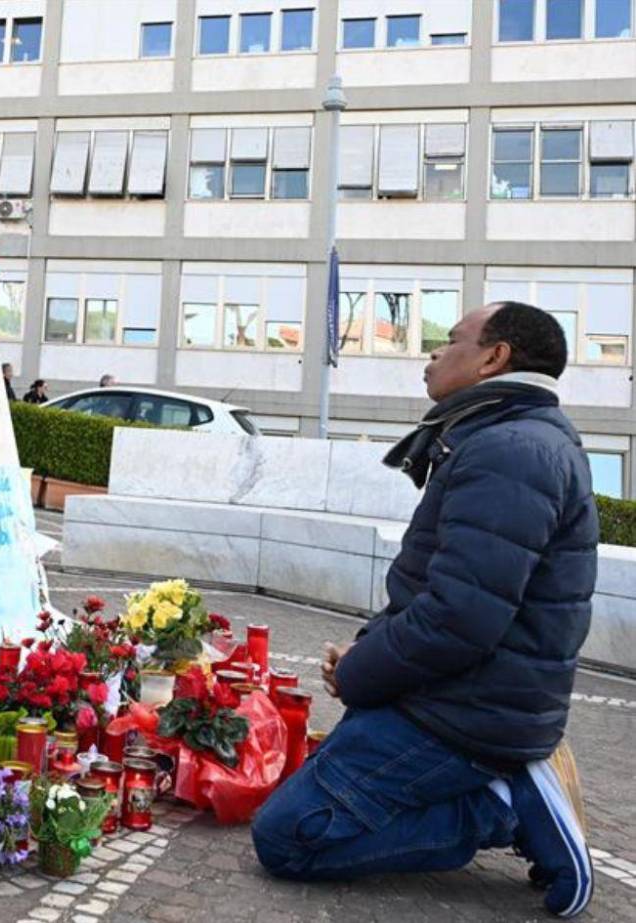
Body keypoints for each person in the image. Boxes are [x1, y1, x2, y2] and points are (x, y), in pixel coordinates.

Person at [251, 302, 598, 918]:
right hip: (454, 697)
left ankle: (503, 803)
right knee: (313, 783)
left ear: (495, 357)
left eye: (449, 341)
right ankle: (495, 788)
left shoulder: (511, 450)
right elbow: (439, 590)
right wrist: (368, 648)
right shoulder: (504, 438)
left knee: (289, 835)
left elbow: (460, 618)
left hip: (466, 716)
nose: (431, 355)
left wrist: (361, 673)